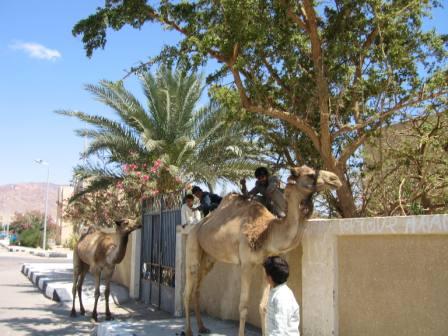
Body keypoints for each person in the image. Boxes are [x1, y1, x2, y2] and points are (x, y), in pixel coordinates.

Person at [263, 256, 300, 336]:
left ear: (270, 278)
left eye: (265, 274)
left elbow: (280, 331)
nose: (264, 277)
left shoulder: (282, 297)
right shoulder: (277, 292)